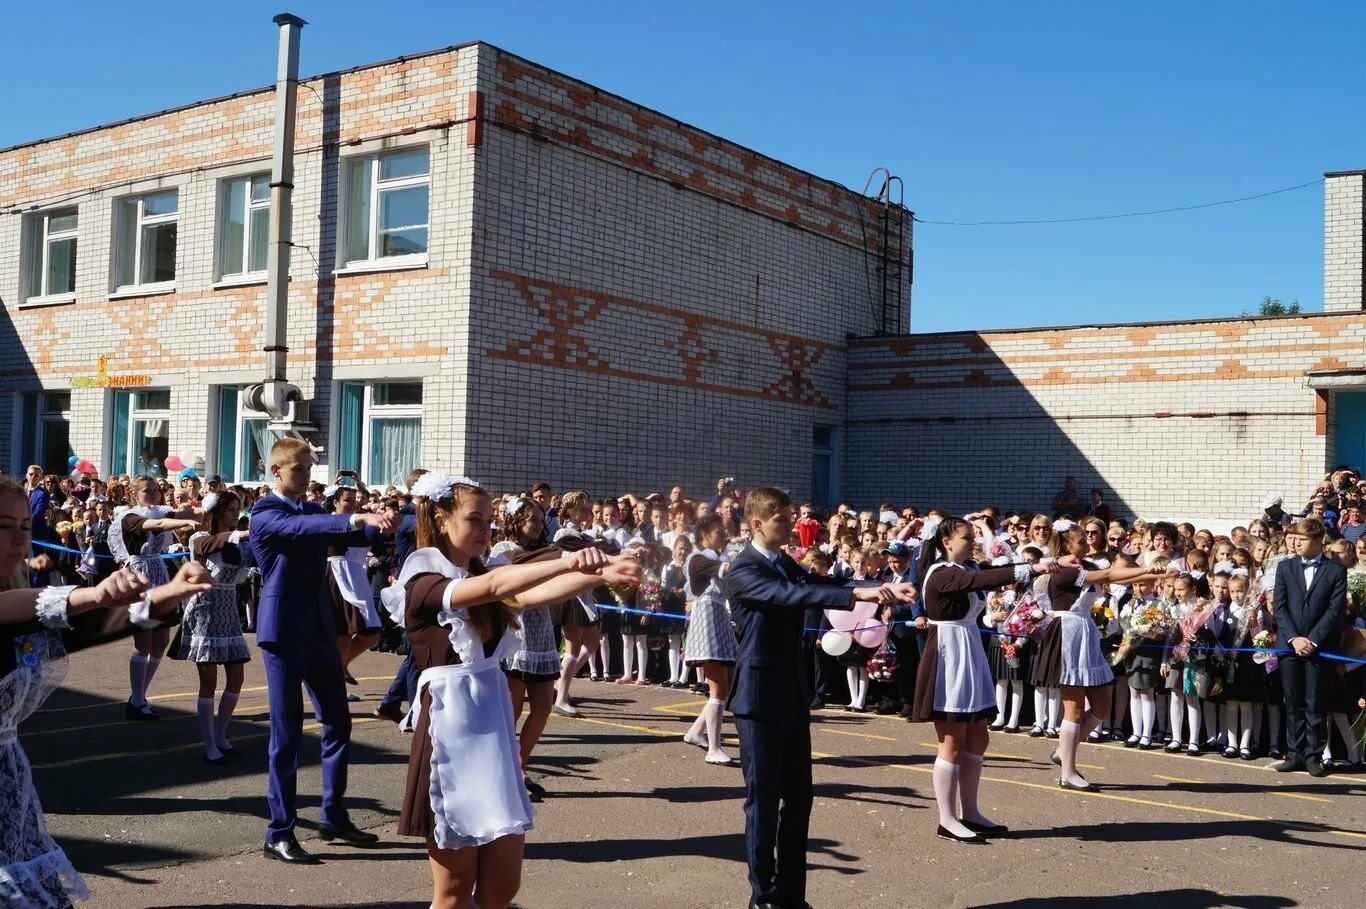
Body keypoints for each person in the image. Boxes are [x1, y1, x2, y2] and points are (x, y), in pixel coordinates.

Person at [389, 473, 638, 909]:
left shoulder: (481, 569)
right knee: (452, 892)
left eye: (491, 520)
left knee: (501, 888)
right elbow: (495, 589)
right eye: (476, 519)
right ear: (442, 517)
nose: (487, 529)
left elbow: (528, 595)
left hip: (493, 724)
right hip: (451, 729)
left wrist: (598, 574)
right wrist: (569, 560)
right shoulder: (422, 577)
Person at [0, 471, 213, 909]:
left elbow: (90, 625)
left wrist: (168, 593)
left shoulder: (24, 599)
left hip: (9, 779)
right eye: (4, 526)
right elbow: (31, 609)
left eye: (25, 526)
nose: (19, 538)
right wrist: (92, 594)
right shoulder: (20, 604)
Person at [719, 487, 904, 909]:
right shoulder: (744, 569)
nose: (792, 525)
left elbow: (819, 582)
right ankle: (762, 895)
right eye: (782, 519)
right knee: (762, 800)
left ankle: (791, 894)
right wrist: (857, 594)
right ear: (756, 524)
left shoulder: (785, 562)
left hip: (791, 692)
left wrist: (874, 587)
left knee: (799, 796)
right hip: (758, 696)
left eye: (790, 517)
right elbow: (790, 596)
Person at [251, 438, 395, 864]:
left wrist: (384, 520)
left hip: (319, 629)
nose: (307, 475)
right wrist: (354, 519)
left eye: (310, 468)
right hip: (282, 632)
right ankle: (279, 832)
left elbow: (348, 534)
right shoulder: (264, 513)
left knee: (338, 722)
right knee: (287, 734)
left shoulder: (313, 511)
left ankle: (333, 815)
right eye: (299, 469)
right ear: (276, 471)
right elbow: (305, 530)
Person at [911, 518, 1054, 843]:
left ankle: (970, 812)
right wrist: (1035, 567)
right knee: (952, 741)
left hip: (967, 651)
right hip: (948, 656)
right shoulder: (942, 571)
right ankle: (947, 819)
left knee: (978, 737)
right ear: (946, 541)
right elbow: (981, 578)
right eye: (966, 536)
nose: (971, 541)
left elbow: (982, 576)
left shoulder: (962, 568)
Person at [109, 475, 201, 719]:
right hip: (139, 576)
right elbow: (155, 526)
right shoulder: (129, 517)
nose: (153, 494)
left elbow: (179, 516)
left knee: (160, 642)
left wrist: (208, 508)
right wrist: (186, 521)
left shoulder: (162, 511)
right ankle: (137, 700)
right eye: (147, 491)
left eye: (156, 490)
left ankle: (138, 696)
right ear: (135, 494)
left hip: (159, 573)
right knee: (143, 643)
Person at [175, 490, 254, 763]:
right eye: (231, 509)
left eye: (238, 509)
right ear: (217, 512)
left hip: (229, 611)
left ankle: (221, 736)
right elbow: (210, 545)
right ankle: (209, 744)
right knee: (208, 681)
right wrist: (242, 535)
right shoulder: (200, 539)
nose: (236, 514)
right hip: (204, 611)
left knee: (237, 678)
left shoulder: (238, 543)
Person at [1271, 517, 1345, 777]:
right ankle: (1295, 753)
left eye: (1301, 539)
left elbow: (1334, 610)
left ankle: (1314, 755)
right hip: (1290, 647)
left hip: (1318, 647)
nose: (1295, 543)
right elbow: (1278, 607)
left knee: (1315, 703)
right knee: (1293, 703)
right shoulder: (1285, 567)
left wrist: (1312, 640)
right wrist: (1294, 638)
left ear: (1317, 541)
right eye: (1294, 538)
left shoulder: (1335, 570)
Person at [680, 513, 739, 764]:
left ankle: (696, 731)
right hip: (706, 623)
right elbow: (725, 570)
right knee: (717, 686)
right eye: (717, 531)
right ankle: (714, 748)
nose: (722, 536)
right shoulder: (698, 559)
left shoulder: (718, 558)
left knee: (725, 683)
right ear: (704, 535)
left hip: (720, 620)